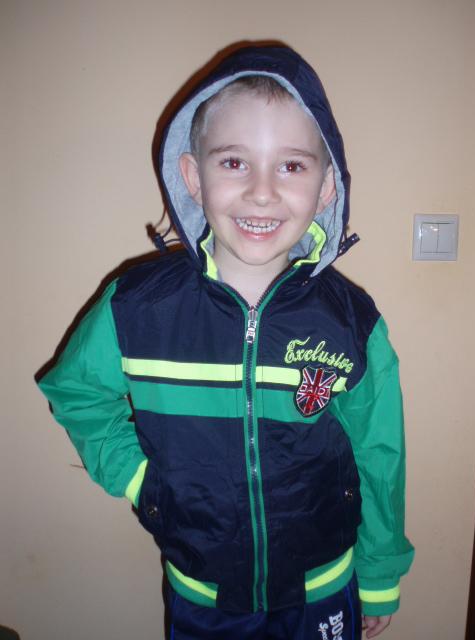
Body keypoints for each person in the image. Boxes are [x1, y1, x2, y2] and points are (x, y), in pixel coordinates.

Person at [38, 44, 414, 639]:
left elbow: (380, 455)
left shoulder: (352, 322)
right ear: (193, 177)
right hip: (203, 593)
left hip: (323, 586)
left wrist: (380, 573)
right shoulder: (137, 309)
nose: (262, 192)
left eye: (292, 166)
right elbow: (76, 392)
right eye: (235, 162)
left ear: (326, 187)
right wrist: (141, 481)